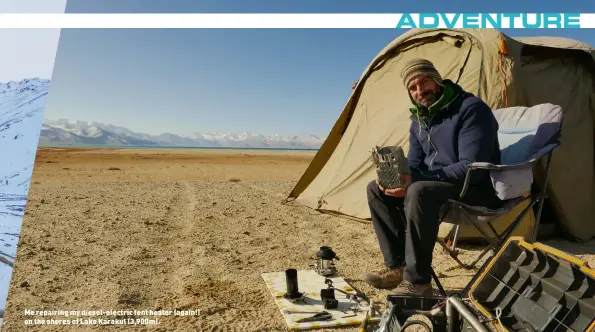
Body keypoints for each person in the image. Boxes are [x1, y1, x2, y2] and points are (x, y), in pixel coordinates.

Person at [364, 58, 501, 296]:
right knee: (376, 189)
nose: (420, 91)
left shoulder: (470, 109)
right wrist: (397, 178)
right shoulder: (419, 118)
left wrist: (416, 181)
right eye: (413, 88)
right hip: (437, 184)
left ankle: (418, 283)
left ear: (436, 80)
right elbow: (415, 164)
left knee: (419, 190)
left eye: (424, 82)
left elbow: (472, 167)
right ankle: (398, 266)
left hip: (475, 186)